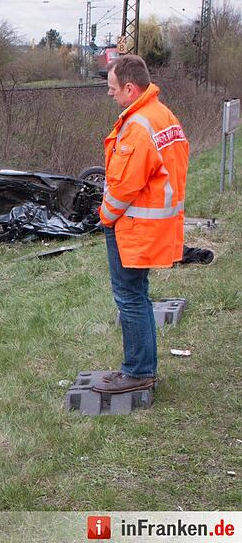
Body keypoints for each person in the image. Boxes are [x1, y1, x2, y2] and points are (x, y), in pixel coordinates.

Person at [94, 54, 189, 394]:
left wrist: (105, 217)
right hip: (155, 224)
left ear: (130, 89)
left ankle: (137, 371)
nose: (110, 94)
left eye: (113, 88)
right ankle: (142, 367)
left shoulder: (138, 126)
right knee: (138, 296)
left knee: (130, 298)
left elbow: (123, 185)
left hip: (133, 226)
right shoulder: (163, 116)